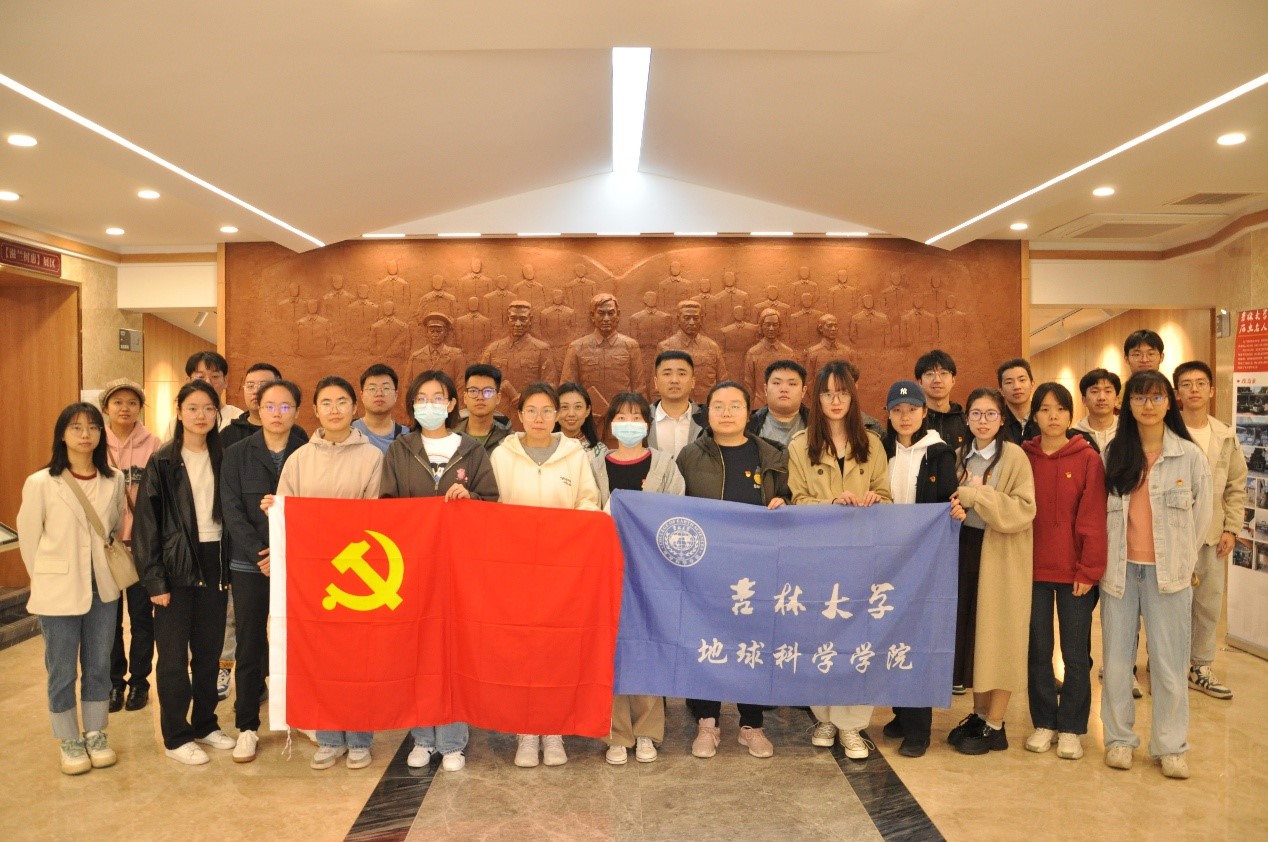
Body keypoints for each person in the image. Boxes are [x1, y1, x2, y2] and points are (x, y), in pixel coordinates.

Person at [380, 370, 500, 773]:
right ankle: (422, 737)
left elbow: (491, 502)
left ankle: (451, 741)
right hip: (412, 567)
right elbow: (387, 505)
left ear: (451, 404)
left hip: (458, 568)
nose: (429, 405)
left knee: (452, 651)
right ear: (412, 406)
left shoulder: (472, 450)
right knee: (417, 652)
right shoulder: (400, 449)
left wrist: (471, 498)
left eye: (438, 398)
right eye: (422, 399)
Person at [1100, 370, 1211, 779]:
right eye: (1140, 398)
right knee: (1116, 664)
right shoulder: (1113, 453)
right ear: (1127, 404)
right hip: (1119, 573)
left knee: (1168, 665)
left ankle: (1170, 746)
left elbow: (1202, 516)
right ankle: (1119, 739)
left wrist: (1183, 562)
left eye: (1157, 397)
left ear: (1169, 402)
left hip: (1170, 577)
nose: (1148, 405)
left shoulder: (1189, 455)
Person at [272, 376, 385, 770]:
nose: (334, 409)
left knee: (358, 659)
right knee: (320, 657)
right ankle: (329, 737)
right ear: (315, 410)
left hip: (357, 573)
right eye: (326, 402)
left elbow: (376, 514)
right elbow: (286, 513)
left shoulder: (372, 457)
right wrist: (276, 509)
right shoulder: (299, 459)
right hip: (313, 575)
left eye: (342, 402)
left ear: (354, 408)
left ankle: (360, 739)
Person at [676, 381, 790, 759]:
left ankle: (751, 725)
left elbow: (789, 498)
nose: (726, 413)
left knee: (751, 644)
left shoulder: (771, 455)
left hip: (756, 566)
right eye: (718, 406)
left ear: (748, 412)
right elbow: (674, 508)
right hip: (704, 568)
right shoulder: (689, 456)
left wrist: (783, 503)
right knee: (705, 641)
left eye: (735, 405)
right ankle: (707, 723)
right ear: (707, 413)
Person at [490, 382, 601, 768]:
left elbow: (589, 500)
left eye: (547, 411)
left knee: (556, 648)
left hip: (562, 568)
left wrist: (568, 532)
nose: (539, 418)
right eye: (531, 411)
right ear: (520, 415)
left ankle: (553, 730)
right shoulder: (502, 455)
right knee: (522, 649)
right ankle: (526, 730)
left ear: (557, 416)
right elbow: (492, 505)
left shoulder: (574, 454)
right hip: (515, 569)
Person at [786, 362, 891, 761]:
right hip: (819, 557)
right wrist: (832, 503)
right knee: (820, 638)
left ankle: (851, 724)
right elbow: (797, 501)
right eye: (828, 393)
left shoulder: (873, 444)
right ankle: (825, 717)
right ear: (816, 398)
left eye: (842, 392)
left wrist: (875, 499)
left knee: (859, 638)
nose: (835, 400)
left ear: (852, 396)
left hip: (863, 557)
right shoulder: (800, 445)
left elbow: (887, 496)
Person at [18, 402, 126, 775]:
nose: (85, 434)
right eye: (77, 427)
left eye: (93, 427)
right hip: (57, 589)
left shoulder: (114, 479)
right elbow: (29, 539)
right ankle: (68, 738)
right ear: (62, 434)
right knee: (62, 668)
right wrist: (46, 578)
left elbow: (112, 528)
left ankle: (95, 732)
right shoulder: (40, 483)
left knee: (99, 665)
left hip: (102, 587)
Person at [131, 381, 235, 766]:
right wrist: (155, 580)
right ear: (179, 412)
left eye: (208, 408)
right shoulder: (162, 461)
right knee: (173, 657)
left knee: (208, 652)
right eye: (193, 408)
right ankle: (176, 736)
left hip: (215, 560)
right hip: (175, 566)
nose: (201, 416)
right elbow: (146, 526)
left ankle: (205, 724)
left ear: (217, 413)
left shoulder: (225, 457)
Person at [590, 391, 685, 765]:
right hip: (605, 570)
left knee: (647, 647)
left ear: (647, 423)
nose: (628, 424)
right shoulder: (594, 464)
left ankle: (647, 731)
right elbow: (584, 509)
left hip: (650, 572)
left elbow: (677, 512)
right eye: (620, 417)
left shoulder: (664, 465)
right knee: (611, 650)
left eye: (635, 417)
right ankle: (616, 733)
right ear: (610, 423)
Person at [219, 379, 308, 763]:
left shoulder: (307, 450)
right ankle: (247, 726)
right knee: (250, 643)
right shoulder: (237, 453)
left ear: (297, 412)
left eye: (285, 407)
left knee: (301, 642)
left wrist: (288, 552)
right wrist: (262, 554)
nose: (277, 413)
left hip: (299, 563)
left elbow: (313, 507)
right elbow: (231, 509)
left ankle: (305, 716)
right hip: (250, 563)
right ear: (258, 408)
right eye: (270, 406)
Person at [945, 387, 1036, 755]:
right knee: (977, 637)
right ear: (966, 418)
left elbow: (1024, 509)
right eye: (976, 414)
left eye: (991, 414)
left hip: (1002, 556)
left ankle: (996, 723)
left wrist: (975, 496)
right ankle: (980, 714)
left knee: (1001, 637)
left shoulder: (1014, 457)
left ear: (1002, 419)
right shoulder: (958, 456)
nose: (983, 421)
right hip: (967, 553)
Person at [1020, 383, 1107, 761]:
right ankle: (1044, 722)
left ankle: (1071, 726)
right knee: (1038, 650)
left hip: (1075, 573)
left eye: (1060, 409)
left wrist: (1089, 570)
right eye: (1044, 409)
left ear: (1071, 415)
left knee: (1075, 653)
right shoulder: (1023, 456)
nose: (1052, 416)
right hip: (1031, 571)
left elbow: (1093, 518)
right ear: (1035, 416)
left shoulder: (1087, 458)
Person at [877, 380, 957, 758]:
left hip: (924, 562)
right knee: (890, 636)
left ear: (925, 412)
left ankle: (919, 729)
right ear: (888, 414)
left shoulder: (939, 453)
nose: (905, 416)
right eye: (897, 410)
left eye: (912, 409)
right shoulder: (880, 450)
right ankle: (900, 713)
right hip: (885, 561)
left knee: (918, 641)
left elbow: (946, 502)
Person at [1172, 361, 1246, 701]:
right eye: (1187, 384)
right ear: (1178, 393)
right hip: (1173, 535)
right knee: (1169, 605)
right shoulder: (1167, 431)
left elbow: (1236, 484)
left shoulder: (1225, 434)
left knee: (1208, 604)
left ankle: (1200, 666)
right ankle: (1167, 664)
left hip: (1212, 535)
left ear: (1212, 390)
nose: (1194, 390)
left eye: (1201, 383)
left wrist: (1232, 527)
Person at [100, 378, 161, 714]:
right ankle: (114, 683)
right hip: (105, 548)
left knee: (141, 619)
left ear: (140, 407)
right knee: (108, 621)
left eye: (132, 402)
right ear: (106, 407)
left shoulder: (154, 444)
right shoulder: (96, 443)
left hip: (141, 547)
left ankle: (139, 682)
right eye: (118, 402)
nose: (125, 408)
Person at [221, 362, 308, 450]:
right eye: (250, 386)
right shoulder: (228, 434)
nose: (256, 391)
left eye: (263, 386)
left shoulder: (297, 434)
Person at [164, 351, 244, 437]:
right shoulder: (175, 423)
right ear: (188, 382)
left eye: (215, 376)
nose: (208, 382)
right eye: (200, 377)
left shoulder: (238, 418)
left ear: (225, 381)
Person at [648, 350, 703, 457]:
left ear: (693, 382)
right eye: (667, 374)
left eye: (682, 374)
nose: (674, 380)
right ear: (656, 382)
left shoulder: (707, 419)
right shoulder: (643, 418)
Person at [745, 360, 808, 447]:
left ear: (803, 391)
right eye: (777, 383)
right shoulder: (747, 425)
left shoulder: (819, 424)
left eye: (792, 384)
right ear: (766, 389)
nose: (784, 389)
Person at [914, 349, 968, 450]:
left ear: (953, 380)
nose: (937, 380)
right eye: (930, 374)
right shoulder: (913, 421)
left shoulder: (966, 421)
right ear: (920, 382)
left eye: (943, 373)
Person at [352, 363, 411, 453]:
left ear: (395, 395)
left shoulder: (407, 436)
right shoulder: (349, 431)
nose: (379, 393)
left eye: (386, 388)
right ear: (362, 396)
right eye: (372, 389)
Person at [456, 363, 511, 451]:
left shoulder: (510, 441)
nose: (480, 397)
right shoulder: (450, 437)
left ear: (498, 398)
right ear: (465, 397)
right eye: (473, 391)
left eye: (488, 391)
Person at [1073, 368, 1121, 452]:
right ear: (1084, 400)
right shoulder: (1073, 436)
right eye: (1095, 391)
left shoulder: (1128, 431)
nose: (1102, 397)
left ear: (1117, 400)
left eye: (1108, 391)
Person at [556, 381, 608, 458]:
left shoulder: (599, 452)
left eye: (578, 407)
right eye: (564, 407)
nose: (571, 414)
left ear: (587, 410)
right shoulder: (542, 447)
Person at [997, 358, 1037, 443]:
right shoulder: (996, 422)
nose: (1017, 386)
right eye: (1009, 382)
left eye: (1022, 380)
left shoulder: (1043, 417)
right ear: (1001, 390)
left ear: (1032, 384)